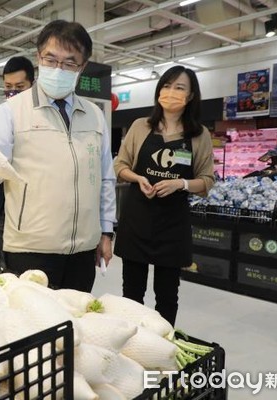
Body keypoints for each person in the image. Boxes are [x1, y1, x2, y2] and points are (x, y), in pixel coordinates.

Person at [0, 20, 116, 292]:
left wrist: (106, 231)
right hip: (30, 248)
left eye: (70, 63)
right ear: (39, 59)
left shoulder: (94, 115)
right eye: (51, 59)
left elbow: (105, 179)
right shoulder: (11, 111)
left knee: (74, 327)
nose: (59, 69)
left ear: (82, 67)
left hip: (82, 250)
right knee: (32, 329)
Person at [113, 65, 215, 326]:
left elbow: (206, 181)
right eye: (167, 86)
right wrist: (138, 178)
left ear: (190, 96)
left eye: (179, 88)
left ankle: (162, 347)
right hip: (137, 218)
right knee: (132, 293)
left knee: (167, 296)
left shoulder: (199, 135)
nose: (171, 92)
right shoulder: (140, 126)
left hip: (172, 224)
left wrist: (180, 184)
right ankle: (133, 345)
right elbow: (120, 165)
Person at [0, 56, 35, 269]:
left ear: (32, 86)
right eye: (8, 87)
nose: (13, 92)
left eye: (20, 87)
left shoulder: (42, 118)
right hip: (4, 205)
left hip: (35, 210)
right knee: (8, 268)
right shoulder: (1, 114)